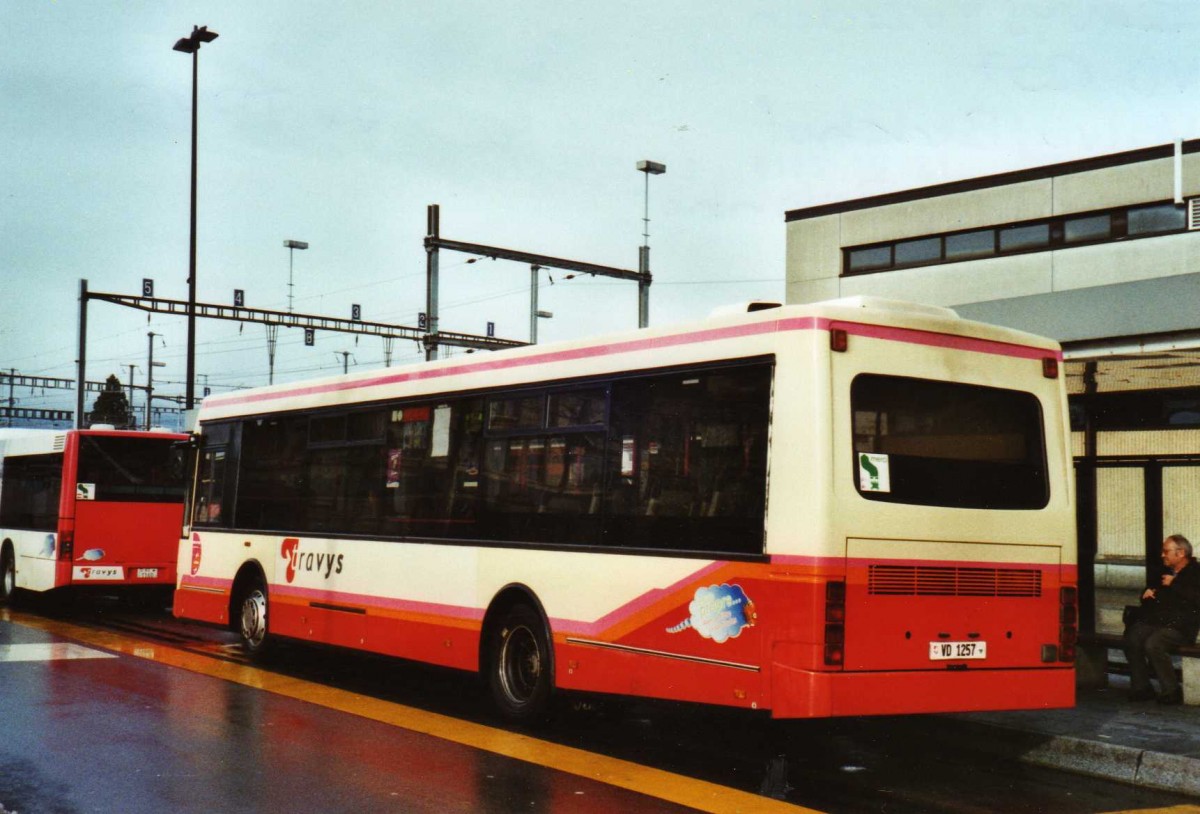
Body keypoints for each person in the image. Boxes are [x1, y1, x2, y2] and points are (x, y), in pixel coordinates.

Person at [1123, 534, 1200, 705]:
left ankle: (1171, 690)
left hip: (1181, 627)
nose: (1162, 555)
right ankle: (1141, 687)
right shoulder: (1163, 570)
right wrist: (1147, 594)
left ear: (1181, 553)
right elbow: (1150, 593)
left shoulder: (1196, 572)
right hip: (1157, 622)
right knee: (1133, 637)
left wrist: (1175, 584)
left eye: (1166, 551)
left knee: (1154, 643)